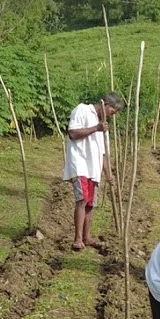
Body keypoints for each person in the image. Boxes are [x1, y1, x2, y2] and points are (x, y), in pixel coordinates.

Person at [62, 92, 123, 251]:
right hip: (80, 163)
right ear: (106, 105)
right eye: (112, 112)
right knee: (81, 200)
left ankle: (87, 237)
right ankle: (77, 239)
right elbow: (73, 133)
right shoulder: (82, 110)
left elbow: (102, 153)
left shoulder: (103, 126)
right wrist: (96, 128)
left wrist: (108, 174)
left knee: (90, 204)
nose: (111, 116)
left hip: (93, 169)